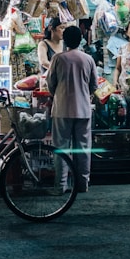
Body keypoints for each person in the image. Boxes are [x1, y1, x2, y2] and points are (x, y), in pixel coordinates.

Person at [47, 25, 98, 193]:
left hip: (62, 109)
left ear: (65, 40)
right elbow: (94, 86)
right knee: (83, 148)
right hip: (83, 109)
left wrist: (58, 94)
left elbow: (50, 83)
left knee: (61, 148)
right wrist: (83, 94)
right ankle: (82, 184)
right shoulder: (88, 59)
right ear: (81, 39)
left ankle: (60, 185)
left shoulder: (58, 58)